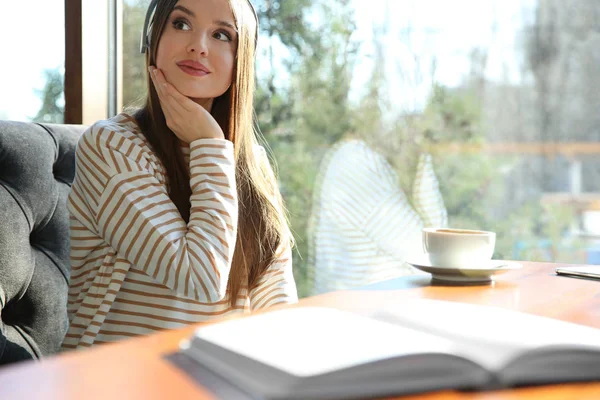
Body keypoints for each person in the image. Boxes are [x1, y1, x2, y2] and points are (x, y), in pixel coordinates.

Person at [62, 0, 297, 350]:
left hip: (222, 380)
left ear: (241, 61)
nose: (198, 46)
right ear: (152, 38)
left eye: (221, 34)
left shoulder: (253, 163)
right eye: (181, 24)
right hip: (115, 380)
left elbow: (278, 312)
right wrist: (208, 144)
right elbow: (200, 278)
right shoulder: (112, 147)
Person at [308, 139, 447, 294]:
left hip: (376, 307)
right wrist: (424, 163)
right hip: (365, 312)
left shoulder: (360, 159)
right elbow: (433, 257)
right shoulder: (358, 164)